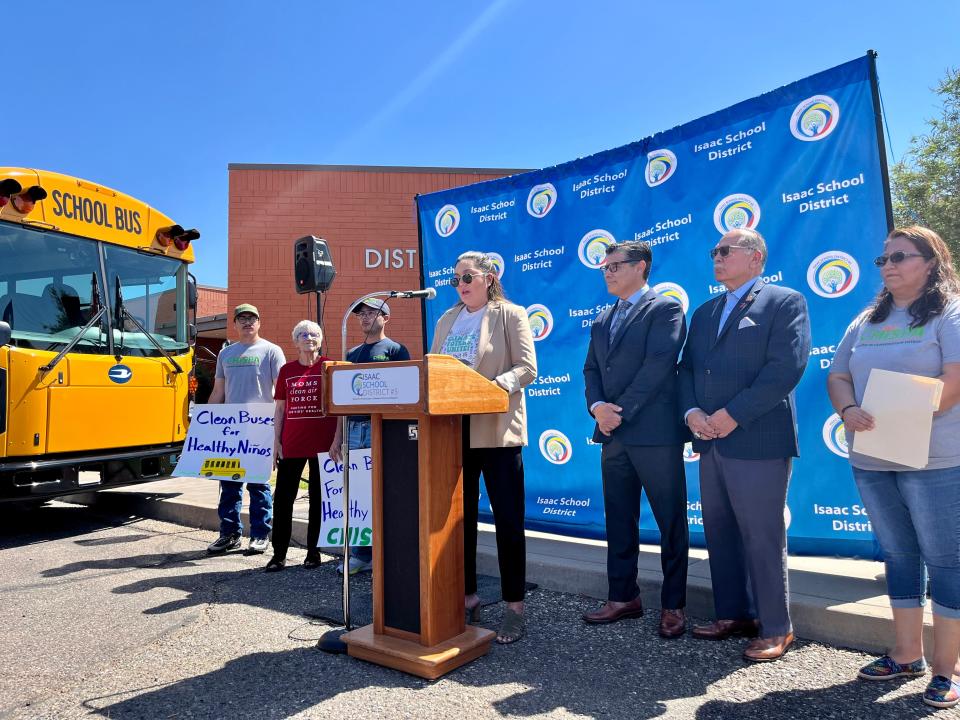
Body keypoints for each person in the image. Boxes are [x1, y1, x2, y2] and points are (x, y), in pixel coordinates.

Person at [827, 226, 960, 709]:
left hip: (935, 459)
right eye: (883, 259)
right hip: (873, 457)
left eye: (900, 257)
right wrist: (847, 411)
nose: (888, 266)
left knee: (946, 560)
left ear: (930, 262)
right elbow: (838, 374)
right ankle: (906, 654)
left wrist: (901, 412)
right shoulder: (866, 318)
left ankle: (948, 668)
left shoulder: (950, 313)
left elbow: (954, 382)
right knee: (899, 555)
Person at [678, 228, 811, 662]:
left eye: (725, 251)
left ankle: (776, 626)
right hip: (710, 442)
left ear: (755, 258)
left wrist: (732, 415)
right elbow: (686, 371)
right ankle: (732, 613)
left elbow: (784, 368)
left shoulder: (784, 302)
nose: (716, 258)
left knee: (762, 535)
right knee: (719, 532)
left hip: (757, 439)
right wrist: (693, 414)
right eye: (713, 251)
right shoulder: (704, 312)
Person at [581, 241, 690, 638]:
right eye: (604, 267)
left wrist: (618, 412)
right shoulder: (603, 317)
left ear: (641, 267)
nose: (607, 272)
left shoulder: (665, 308)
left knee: (670, 521)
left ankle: (674, 604)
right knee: (619, 519)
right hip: (613, 435)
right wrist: (597, 409)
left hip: (653, 433)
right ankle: (622, 596)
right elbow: (591, 370)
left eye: (615, 266)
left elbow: (658, 367)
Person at [430, 250, 537, 644]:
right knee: (459, 523)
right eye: (456, 278)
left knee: (508, 520)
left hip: (495, 431)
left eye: (469, 277)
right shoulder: (446, 318)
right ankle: (469, 597)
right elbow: (435, 370)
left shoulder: (510, 314)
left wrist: (492, 388)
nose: (461, 284)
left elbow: (527, 367)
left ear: (489, 278)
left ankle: (513, 607)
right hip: (452, 433)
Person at [329, 297, 410, 575]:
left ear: (386, 317)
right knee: (359, 495)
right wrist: (337, 437)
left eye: (372, 313)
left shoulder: (396, 350)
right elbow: (341, 400)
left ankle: (389, 554)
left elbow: (405, 395)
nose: (364, 318)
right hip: (353, 429)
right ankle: (362, 555)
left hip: (382, 429)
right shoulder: (351, 353)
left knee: (385, 491)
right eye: (360, 314)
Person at [207, 304, 284, 555]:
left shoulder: (271, 351)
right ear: (235, 324)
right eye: (242, 318)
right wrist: (206, 422)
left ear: (259, 323)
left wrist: (278, 430)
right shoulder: (226, 354)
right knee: (228, 483)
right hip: (230, 429)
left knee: (258, 484)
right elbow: (219, 390)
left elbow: (280, 393)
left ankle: (260, 534)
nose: (247, 322)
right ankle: (229, 534)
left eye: (252, 318)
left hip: (260, 427)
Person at [266, 320, 338, 571]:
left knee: (319, 500)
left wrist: (338, 440)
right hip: (292, 444)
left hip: (325, 446)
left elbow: (340, 407)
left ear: (320, 340)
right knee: (283, 499)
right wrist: (276, 441)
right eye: (303, 335)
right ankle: (278, 555)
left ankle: (313, 552)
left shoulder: (330, 367)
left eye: (314, 334)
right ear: (295, 341)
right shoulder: (287, 370)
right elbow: (280, 409)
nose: (309, 338)